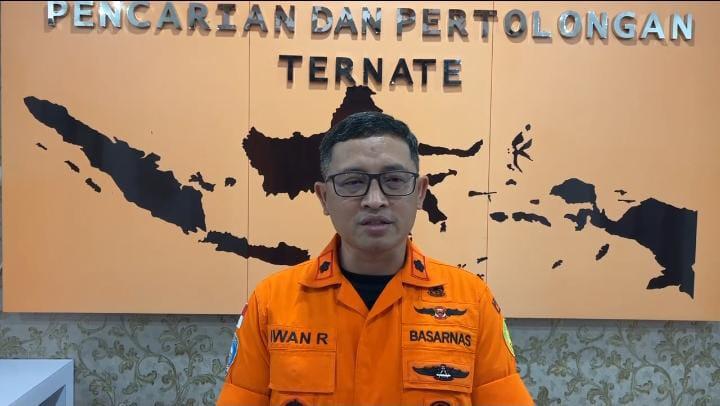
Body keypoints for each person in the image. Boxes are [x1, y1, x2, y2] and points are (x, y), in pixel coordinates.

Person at [217, 111, 533, 405]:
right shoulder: (272, 301)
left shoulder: (472, 301)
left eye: (394, 180)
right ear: (324, 197)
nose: (374, 200)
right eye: (353, 182)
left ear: (420, 192)